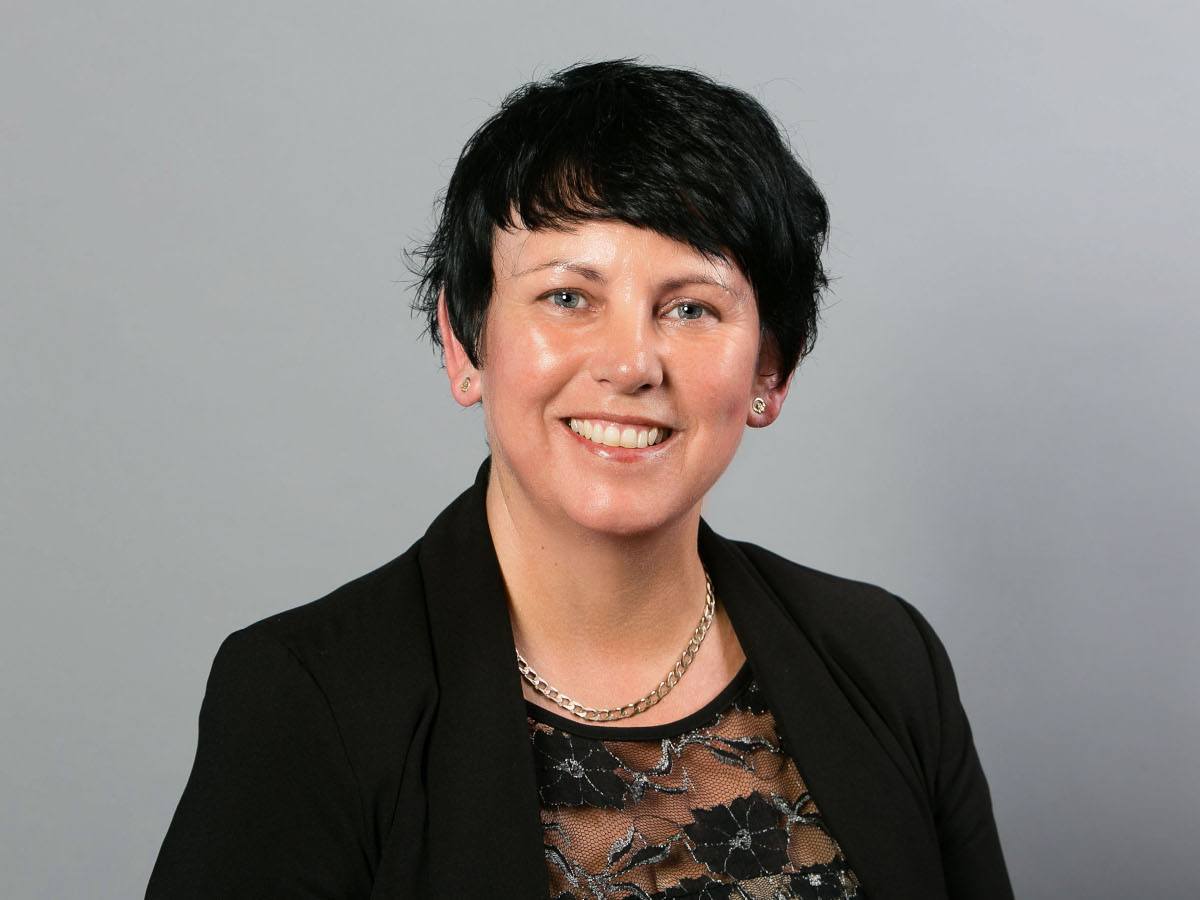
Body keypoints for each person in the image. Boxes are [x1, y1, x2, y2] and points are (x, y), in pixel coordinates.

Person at [146, 59, 1013, 899]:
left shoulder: (886, 659)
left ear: (769, 375)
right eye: (568, 297)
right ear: (463, 341)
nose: (631, 364)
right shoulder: (306, 699)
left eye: (690, 308)